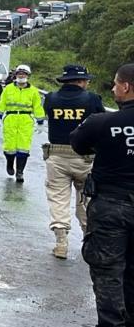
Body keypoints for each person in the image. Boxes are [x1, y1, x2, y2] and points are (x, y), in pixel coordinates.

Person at [71, 63, 134, 327]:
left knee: (108, 271)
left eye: (115, 84)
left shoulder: (102, 122)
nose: (112, 89)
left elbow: (78, 143)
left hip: (111, 206)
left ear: (126, 87)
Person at [43, 65, 107, 258]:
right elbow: (102, 122)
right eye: (86, 80)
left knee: (58, 198)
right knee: (87, 199)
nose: (88, 83)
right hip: (85, 158)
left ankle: (61, 242)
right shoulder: (92, 99)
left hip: (57, 155)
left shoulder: (51, 98)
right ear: (80, 81)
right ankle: (90, 239)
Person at [0, 64, 46, 183]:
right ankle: (10, 163)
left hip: (25, 120)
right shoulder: (8, 89)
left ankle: (20, 172)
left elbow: (37, 107)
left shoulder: (33, 91)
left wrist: (40, 122)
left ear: (28, 76)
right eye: (19, 73)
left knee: (24, 147)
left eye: (24, 74)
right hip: (11, 118)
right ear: (15, 75)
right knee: (9, 146)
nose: (21, 76)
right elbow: (2, 104)